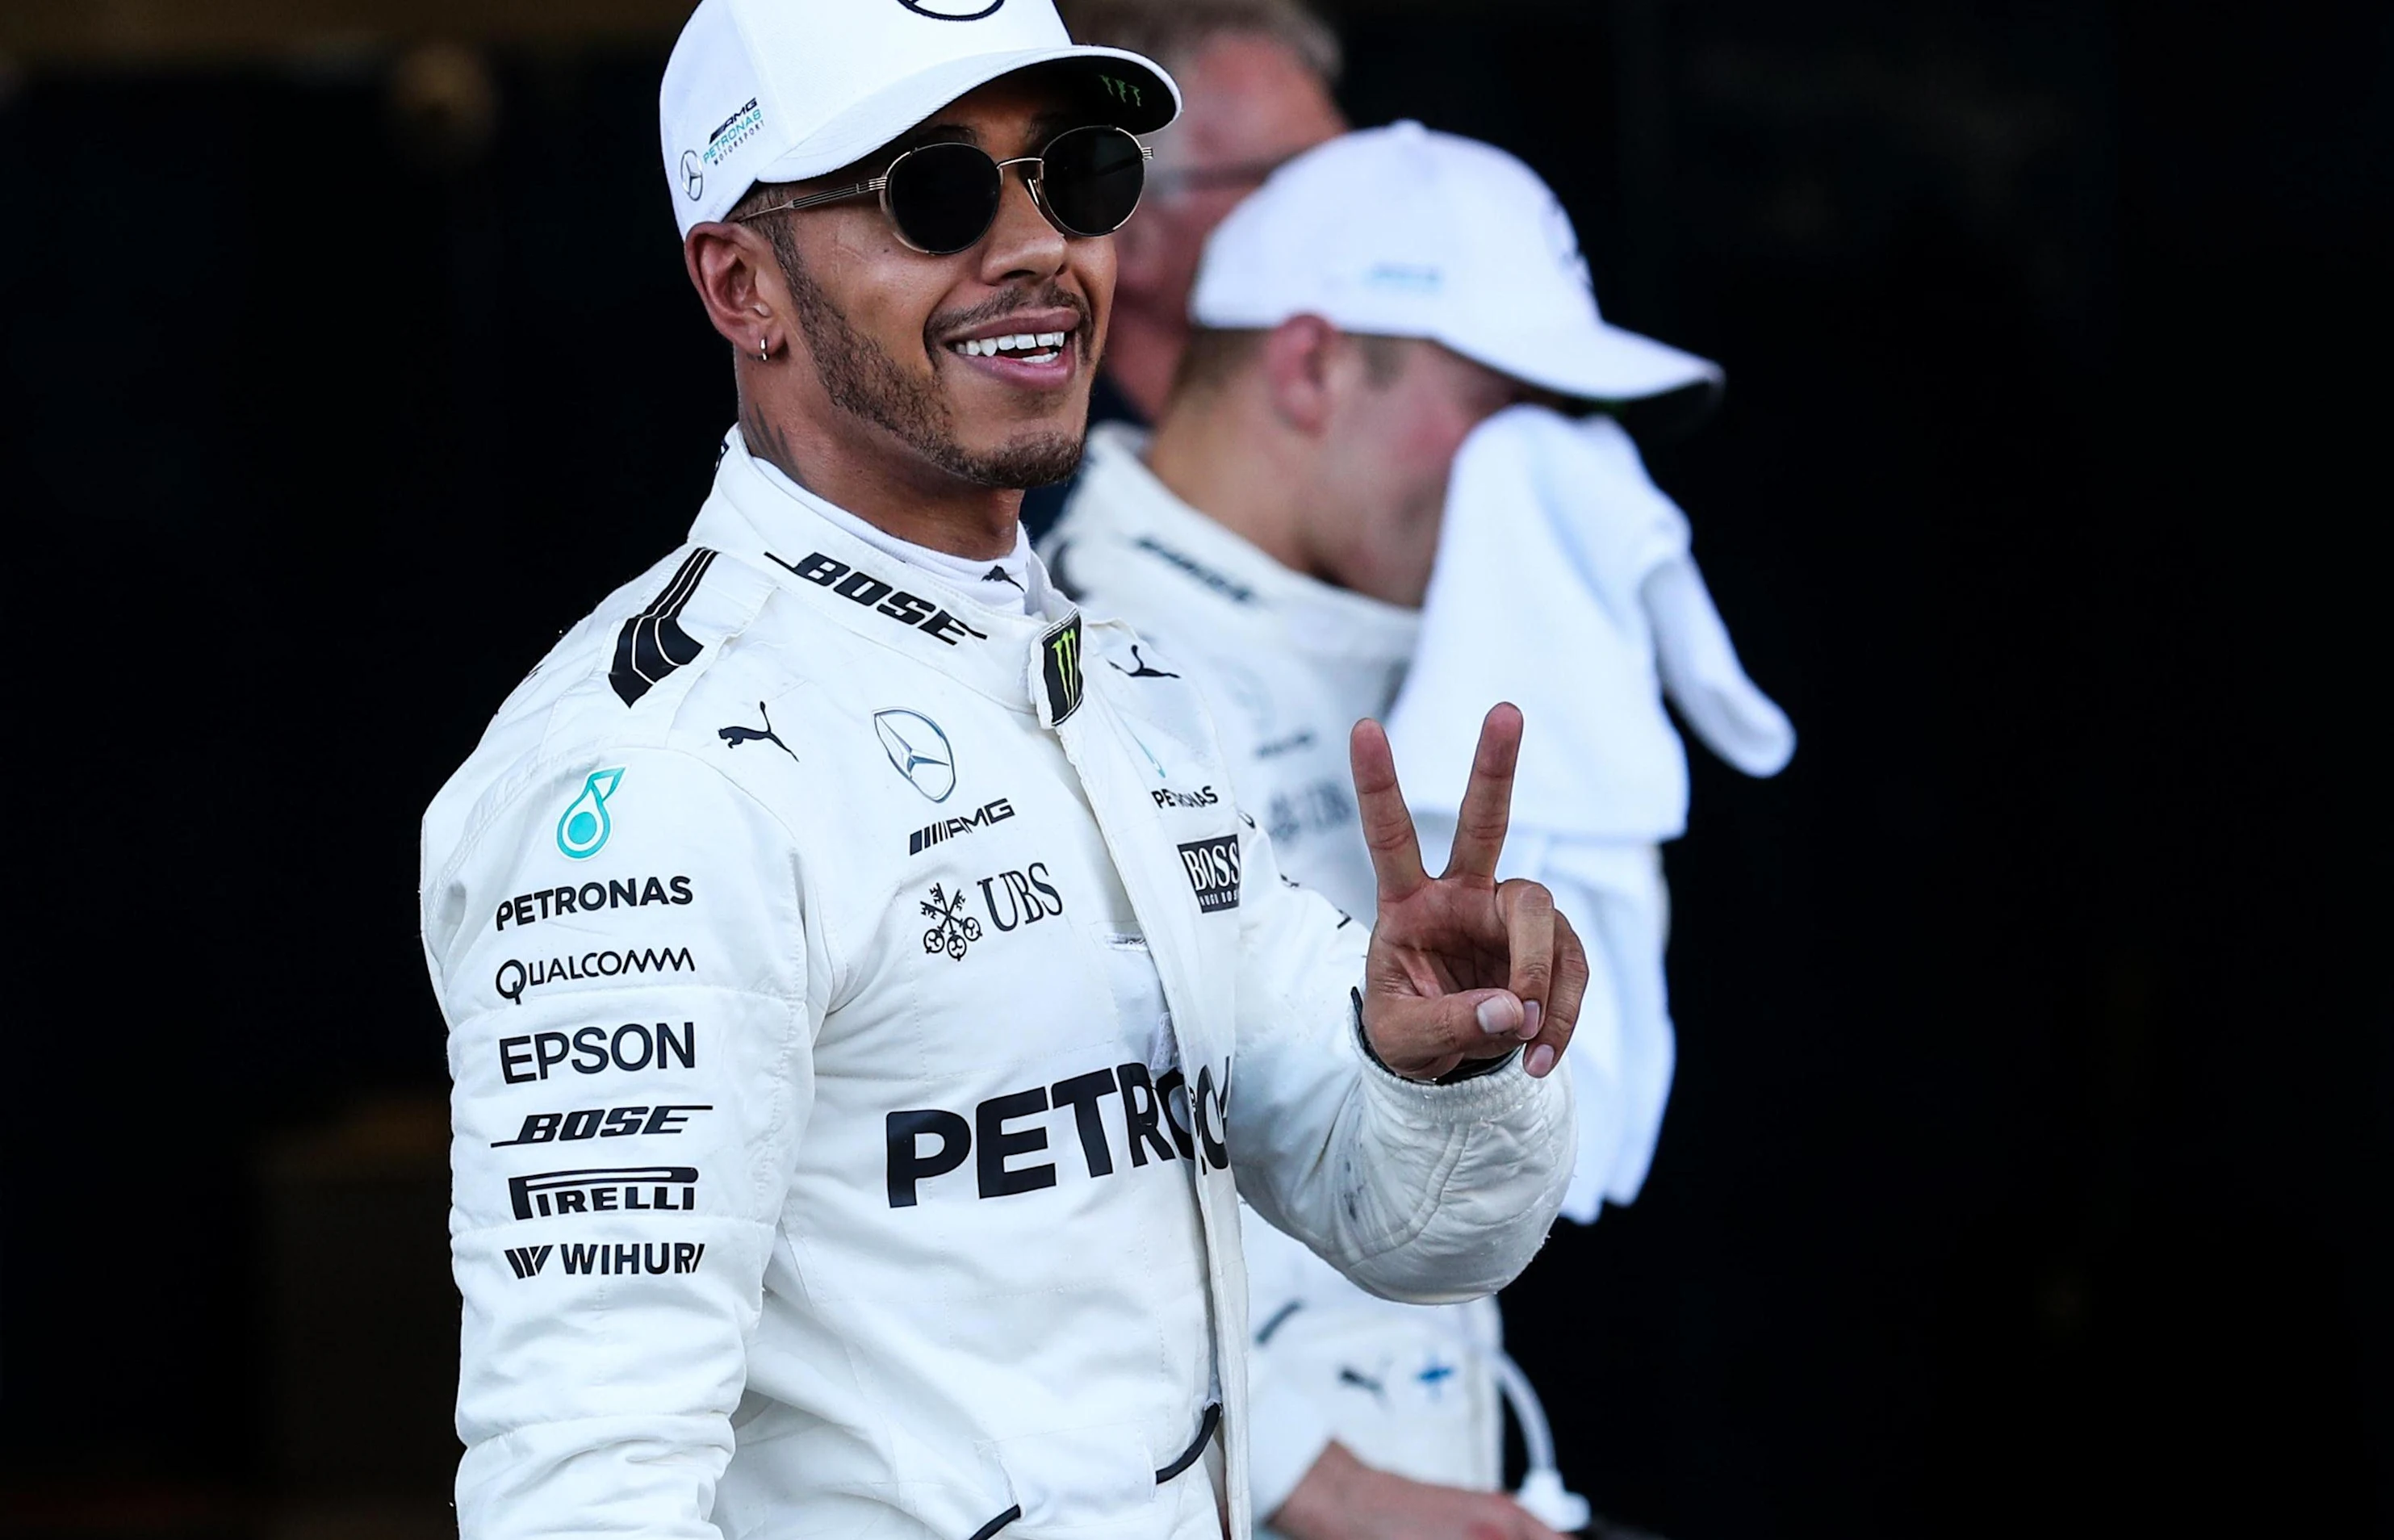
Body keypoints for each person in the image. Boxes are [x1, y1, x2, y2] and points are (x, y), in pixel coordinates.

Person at [419, 6, 1588, 1538]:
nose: (1037, 243)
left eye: (1078, 175)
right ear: (741, 284)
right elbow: (582, 1484)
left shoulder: (1126, 694)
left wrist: (1442, 1060)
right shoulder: (651, 776)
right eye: (936, 194)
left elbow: (1419, 1225)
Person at [1044, 123, 1793, 1540]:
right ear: (1313, 363)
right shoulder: (1069, 662)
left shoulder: (1456, 662)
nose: (1545, 474)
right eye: (1504, 412)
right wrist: (1310, 1485)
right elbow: (974, 1182)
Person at [1020, 0, 1347, 539]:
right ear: (1126, 226)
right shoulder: (1031, 510)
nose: (1354, 203)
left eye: (1351, 165)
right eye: (1291, 177)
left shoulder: (1352, 457)